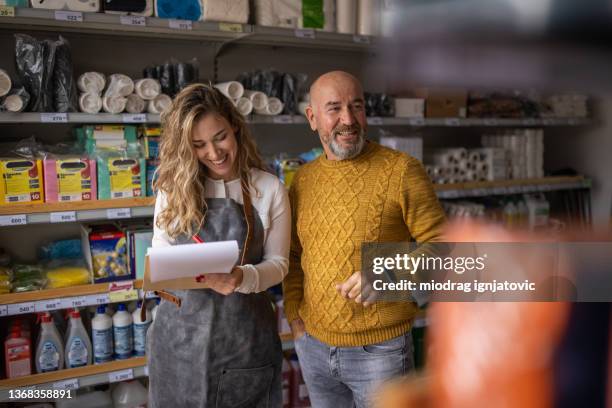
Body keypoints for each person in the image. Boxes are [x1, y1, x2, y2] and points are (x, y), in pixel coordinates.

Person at [283, 71, 446, 408]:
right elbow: (294, 256)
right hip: (314, 347)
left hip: (380, 351)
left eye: (356, 106)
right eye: (334, 109)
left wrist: (387, 274)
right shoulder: (302, 181)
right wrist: (295, 319)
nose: (348, 120)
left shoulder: (401, 170)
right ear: (312, 118)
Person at [148, 83, 291, 407]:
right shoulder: (173, 189)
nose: (214, 153)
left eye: (220, 137)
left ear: (236, 127)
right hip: (179, 345)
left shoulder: (267, 188)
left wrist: (243, 278)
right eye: (198, 145)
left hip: (244, 345)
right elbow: (160, 258)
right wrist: (183, 269)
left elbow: (279, 264)